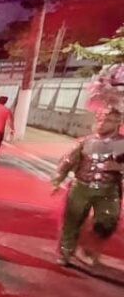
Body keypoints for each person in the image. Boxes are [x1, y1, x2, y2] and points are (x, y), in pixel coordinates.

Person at [52, 106, 124, 267]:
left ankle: (88, 246)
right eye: (100, 119)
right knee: (71, 220)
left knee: (107, 221)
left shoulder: (121, 143)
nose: (102, 123)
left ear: (117, 123)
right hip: (81, 187)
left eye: (108, 120)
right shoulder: (86, 141)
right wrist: (57, 180)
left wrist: (119, 167)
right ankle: (65, 252)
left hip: (108, 189)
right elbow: (67, 162)